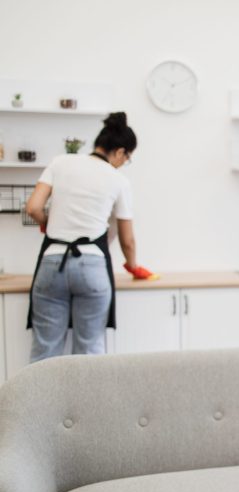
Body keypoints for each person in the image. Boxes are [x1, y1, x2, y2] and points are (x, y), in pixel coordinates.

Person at [25, 112, 155, 363]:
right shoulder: (118, 180)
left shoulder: (60, 162)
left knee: (45, 352)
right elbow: (127, 240)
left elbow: (33, 208)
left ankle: (39, 403)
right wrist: (133, 266)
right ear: (119, 152)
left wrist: (46, 223)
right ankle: (85, 404)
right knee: (89, 354)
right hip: (92, 267)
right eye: (126, 158)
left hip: (52, 263)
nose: (123, 163)